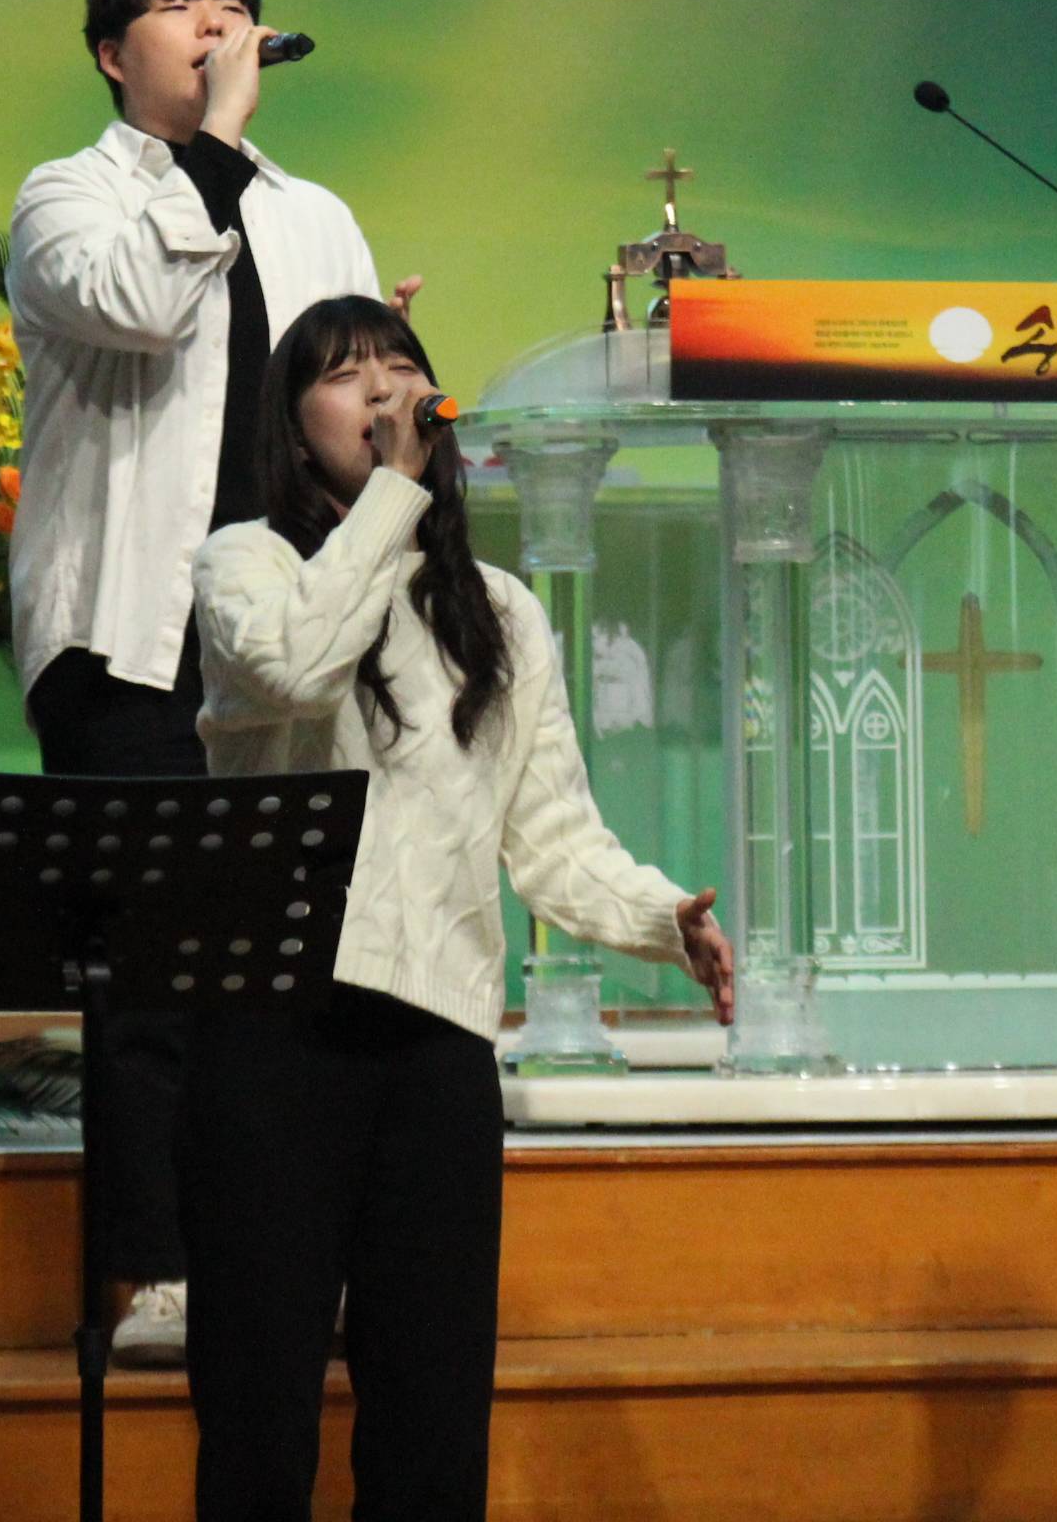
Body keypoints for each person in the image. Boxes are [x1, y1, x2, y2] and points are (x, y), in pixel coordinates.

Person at [188, 294, 734, 1521]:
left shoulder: (500, 612)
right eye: (346, 375)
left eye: (401, 365)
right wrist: (394, 494)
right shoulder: (245, 564)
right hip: (275, 1034)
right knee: (260, 1422)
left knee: (431, 1430)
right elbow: (295, 667)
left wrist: (664, 920)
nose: (384, 391)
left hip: (435, 1046)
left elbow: (552, 835)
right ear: (292, 422)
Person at [8, 0, 403, 1367]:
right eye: (181, 10)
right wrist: (216, 153)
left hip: (291, 642)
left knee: (295, 977)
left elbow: (361, 417)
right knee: (154, 987)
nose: (217, 25)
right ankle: (156, 1271)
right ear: (115, 54)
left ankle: (290, 1263)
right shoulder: (69, 196)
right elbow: (134, 301)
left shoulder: (318, 217)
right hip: (133, 637)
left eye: (235, 8)